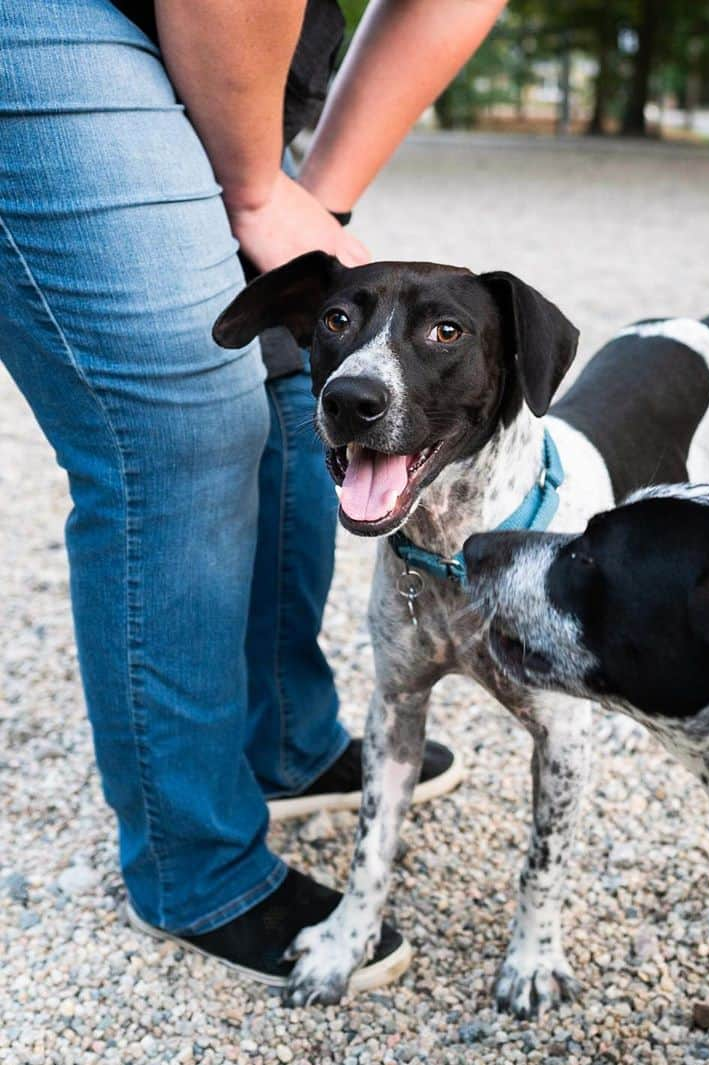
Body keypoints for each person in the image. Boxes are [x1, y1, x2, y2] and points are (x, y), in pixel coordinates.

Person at [0, 0, 505, 988]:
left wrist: (312, 200)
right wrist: (253, 179)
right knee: (180, 418)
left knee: (286, 363)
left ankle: (281, 738)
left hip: (253, 35)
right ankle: (194, 867)